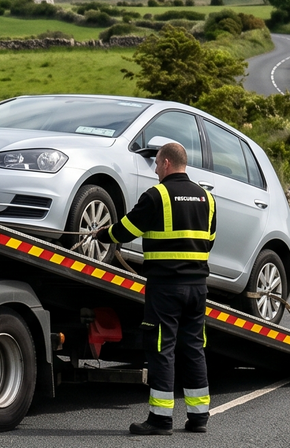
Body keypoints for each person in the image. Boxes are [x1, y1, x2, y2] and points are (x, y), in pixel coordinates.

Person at [102, 142, 215, 435]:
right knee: (193, 348)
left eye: (156, 165)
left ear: (165, 163)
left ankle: (161, 419)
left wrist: (105, 233)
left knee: (161, 349)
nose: (154, 170)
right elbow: (210, 240)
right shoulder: (207, 199)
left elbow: (127, 228)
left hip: (166, 287)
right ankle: (198, 418)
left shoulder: (158, 195)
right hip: (197, 288)